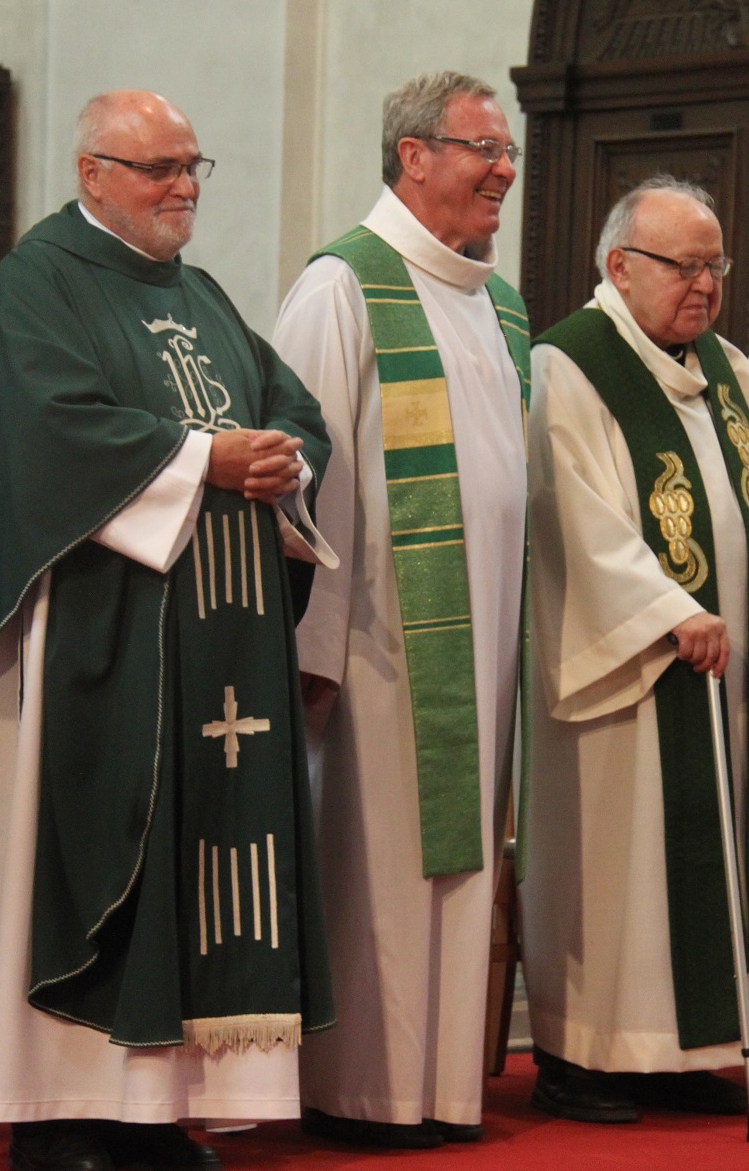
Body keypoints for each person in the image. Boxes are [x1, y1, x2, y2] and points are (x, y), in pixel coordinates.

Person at [0, 90, 337, 1171]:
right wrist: (205, 458)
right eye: (160, 168)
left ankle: (155, 1114)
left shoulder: (198, 293)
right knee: (85, 861)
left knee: (191, 870)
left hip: (210, 643)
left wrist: (285, 457)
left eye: (194, 165)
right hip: (81, 644)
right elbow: (47, 431)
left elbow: (288, 407)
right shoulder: (36, 284)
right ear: (93, 173)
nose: (184, 187)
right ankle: (58, 1114)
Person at [519, 175, 749, 1123]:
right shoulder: (569, 363)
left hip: (725, 674)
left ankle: (684, 1050)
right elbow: (571, 514)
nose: (704, 284)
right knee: (619, 869)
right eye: (682, 266)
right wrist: (665, 609)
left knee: (706, 862)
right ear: (619, 266)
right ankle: (583, 1057)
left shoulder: (729, 367)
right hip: (631, 671)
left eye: (713, 265)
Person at [272, 71, 529, 1148]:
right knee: (375, 857)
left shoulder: (499, 303)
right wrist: (312, 645)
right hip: (380, 639)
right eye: (483, 149)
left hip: (485, 632)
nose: (504, 170)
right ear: (413, 156)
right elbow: (304, 480)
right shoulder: (343, 285)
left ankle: (440, 1087)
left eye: (508, 151)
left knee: (459, 858)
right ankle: (362, 1089)